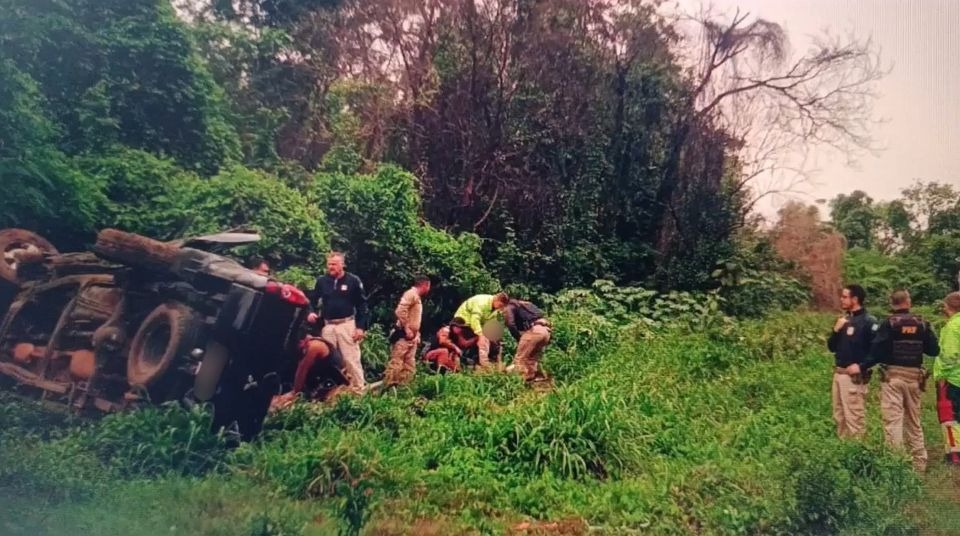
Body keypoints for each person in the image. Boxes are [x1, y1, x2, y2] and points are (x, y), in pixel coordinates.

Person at [854, 290, 939, 471]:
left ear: (891, 304)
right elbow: (933, 351)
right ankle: (919, 464)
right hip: (915, 378)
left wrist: (862, 366)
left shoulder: (889, 324)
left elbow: (876, 352)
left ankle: (896, 466)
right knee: (914, 421)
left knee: (893, 422)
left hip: (893, 377)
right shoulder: (922, 323)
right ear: (908, 302)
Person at [308, 252, 369, 392]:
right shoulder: (322, 281)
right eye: (329, 264)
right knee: (327, 360)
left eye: (334, 264)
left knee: (350, 358)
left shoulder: (353, 281)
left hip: (346, 324)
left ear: (342, 264)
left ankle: (359, 390)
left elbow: (362, 305)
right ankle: (331, 391)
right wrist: (311, 312)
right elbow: (311, 300)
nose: (331, 267)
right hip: (328, 325)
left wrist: (360, 327)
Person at [827, 284, 878, 439]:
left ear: (855, 299)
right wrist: (836, 330)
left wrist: (862, 366)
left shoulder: (869, 322)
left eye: (845, 297)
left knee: (855, 418)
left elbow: (876, 351)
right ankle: (844, 452)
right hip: (839, 373)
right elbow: (831, 347)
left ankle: (859, 453)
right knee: (839, 416)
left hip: (853, 378)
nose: (841, 300)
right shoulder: (844, 320)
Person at [271, 336, 350, 411]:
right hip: (317, 381)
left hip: (333, 384)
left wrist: (294, 393)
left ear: (304, 340)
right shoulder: (305, 347)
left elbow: (302, 370)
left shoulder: (314, 347)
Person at [384, 276, 431, 386]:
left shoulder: (417, 297)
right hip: (403, 335)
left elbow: (413, 317)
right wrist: (406, 328)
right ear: (425, 285)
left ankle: (404, 388)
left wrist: (416, 333)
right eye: (428, 286)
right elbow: (400, 311)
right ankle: (388, 387)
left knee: (409, 364)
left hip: (412, 337)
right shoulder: (411, 294)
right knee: (396, 362)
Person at [934, 292, 960, 464]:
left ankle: (955, 453)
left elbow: (949, 355)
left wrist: (941, 375)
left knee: (950, 417)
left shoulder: (952, 327)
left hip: (952, 379)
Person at [452, 293, 509, 368]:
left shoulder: (497, 309)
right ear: (496, 299)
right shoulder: (481, 302)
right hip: (463, 322)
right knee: (483, 338)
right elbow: (474, 320)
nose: (500, 308)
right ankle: (484, 362)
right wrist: (480, 333)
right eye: (500, 305)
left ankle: (494, 361)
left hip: (478, 324)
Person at [502, 298, 552, 382]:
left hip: (534, 330)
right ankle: (531, 377)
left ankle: (516, 381)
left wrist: (518, 337)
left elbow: (510, 323)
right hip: (546, 330)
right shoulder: (527, 304)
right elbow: (540, 314)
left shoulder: (508, 307)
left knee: (520, 358)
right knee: (532, 357)